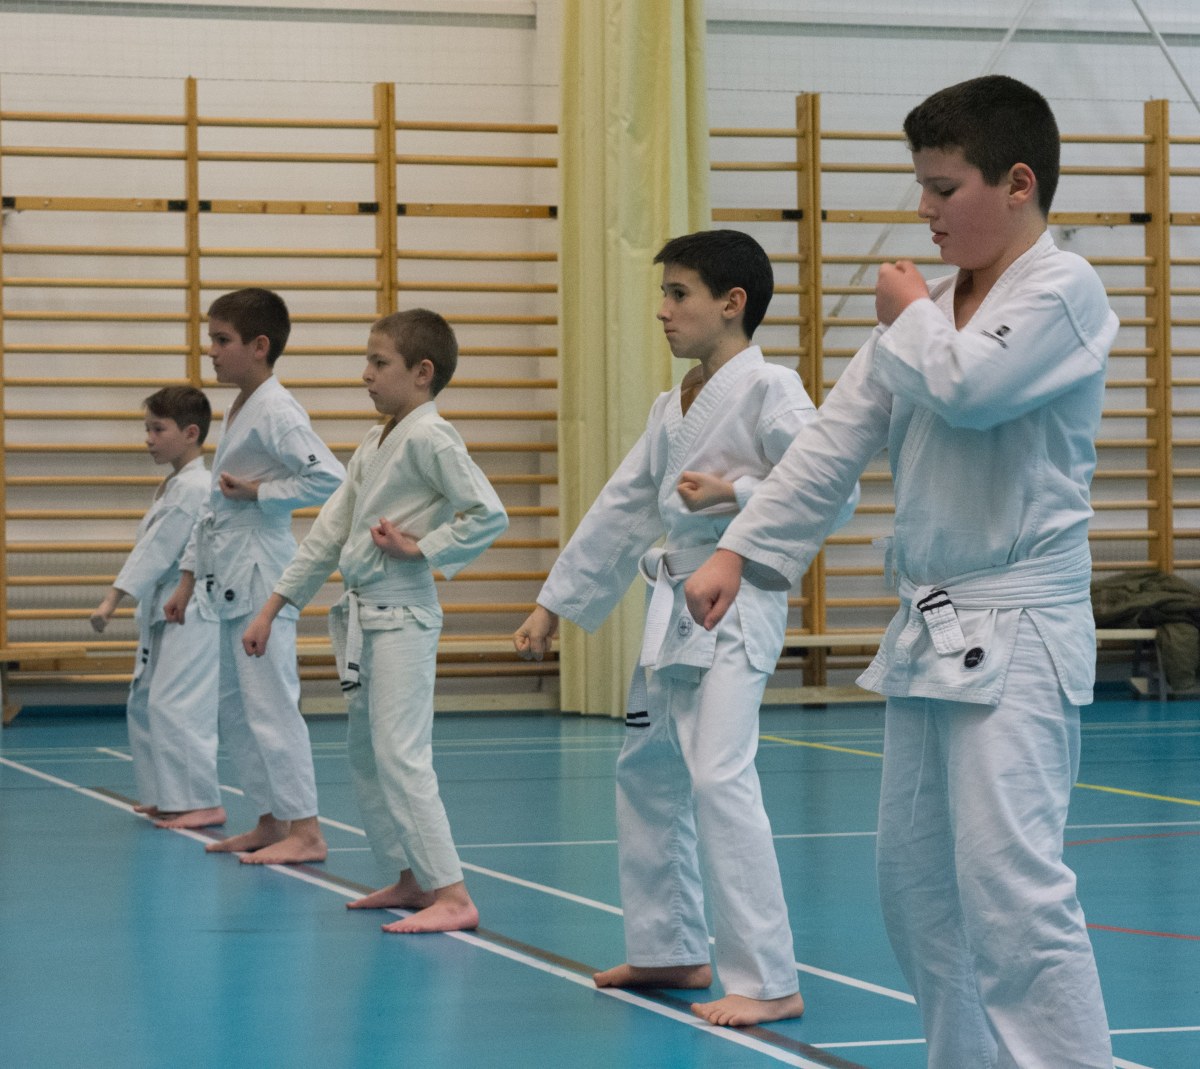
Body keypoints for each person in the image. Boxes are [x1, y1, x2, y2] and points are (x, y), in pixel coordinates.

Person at [685, 76, 1115, 1066]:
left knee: (1014, 896)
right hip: (933, 630)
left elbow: (971, 388)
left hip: (1023, 629)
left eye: (943, 187)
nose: (924, 209)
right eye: (921, 186)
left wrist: (910, 314)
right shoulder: (929, 308)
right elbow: (832, 443)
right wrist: (739, 549)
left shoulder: (1063, 289)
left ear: (1018, 184)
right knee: (916, 889)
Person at [513, 229, 858, 1027]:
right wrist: (553, 602)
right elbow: (624, 505)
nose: (663, 311)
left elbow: (831, 487)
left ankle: (768, 977)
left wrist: (737, 493)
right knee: (648, 769)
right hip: (674, 603)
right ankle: (669, 945)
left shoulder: (770, 386)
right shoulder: (673, 404)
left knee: (718, 774)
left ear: (732, 303)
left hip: (738, 597)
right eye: (663, 294)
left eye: (679, 294)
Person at [242, 309, 507, 932]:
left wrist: (423, 549)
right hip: (365, 616)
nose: (365, 374)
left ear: (422, 372)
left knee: (401, 754)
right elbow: (329, 533)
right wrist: (274, 606)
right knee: (366, 754)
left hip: (404, 614)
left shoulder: (432, 436)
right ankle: (411, 877)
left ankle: (453, 893)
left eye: (378, 362)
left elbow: (487, 513)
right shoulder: (376, 440)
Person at [164, 288, 345, 866]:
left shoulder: (278, 409)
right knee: (236, 710)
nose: (211, 351)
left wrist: (261, 492)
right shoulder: (243, 405)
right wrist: (187, 577)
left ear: (259, 346)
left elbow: (330, 478)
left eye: (222, 340)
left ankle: (307, 830)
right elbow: (212, 508)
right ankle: (270, 819)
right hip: (226, 576)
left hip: (263, 574)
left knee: (271, 706)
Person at [91, 386, 224, 831]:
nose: (148, 438)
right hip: (165, 605)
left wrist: (112, 598)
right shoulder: (174, 484)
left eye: (158, 429)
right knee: (147, 702)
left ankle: (201, 800)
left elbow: (156, 551)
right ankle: (165, 795)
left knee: (177, 705)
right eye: (147, 429)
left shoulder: (195, 487)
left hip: (192, 608)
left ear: (190, 433)